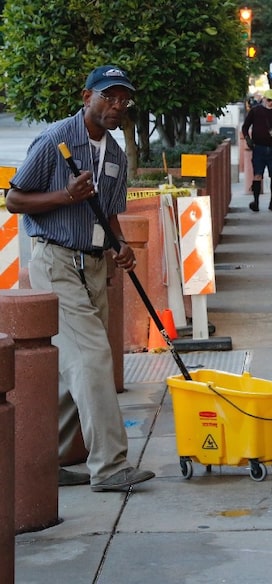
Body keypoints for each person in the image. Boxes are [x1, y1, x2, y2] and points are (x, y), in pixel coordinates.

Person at [5, 65, 156, 492]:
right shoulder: (56, 140)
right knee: (91, 358)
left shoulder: (116, 154)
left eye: (124, 100)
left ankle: (45, 459)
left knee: (70, 369)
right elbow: (15, 198)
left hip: (93, 266)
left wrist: (120, 245)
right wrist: (64, 196)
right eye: (108, 97)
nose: (117, 106)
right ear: (86, 95)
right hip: (55, 262)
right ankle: (110, 468)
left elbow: (108, 212)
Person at [241, 88, 272, 212]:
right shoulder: (255, 111)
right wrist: (248, 138)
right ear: (264, 99)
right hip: (259, 147)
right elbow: (245, 127)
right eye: (269, 100)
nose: (271, 103)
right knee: (257, 174)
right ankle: (256, 201)